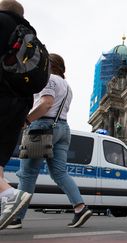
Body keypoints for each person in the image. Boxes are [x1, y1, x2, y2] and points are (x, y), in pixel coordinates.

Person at [9, 53, 92, 229]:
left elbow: (46, 104)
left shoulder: (48, 80)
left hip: (43, 126)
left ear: (48, 64)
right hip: (63, 129)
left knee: (28, 174)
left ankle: (16, 217)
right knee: (60, 172)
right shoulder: (67, 86)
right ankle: (80, 207)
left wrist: (26, 120)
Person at [0, 0, 33, 231]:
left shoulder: (1, 23)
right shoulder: (31, 35)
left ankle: (10, 194)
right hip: (21, 103)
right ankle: (6, 197)